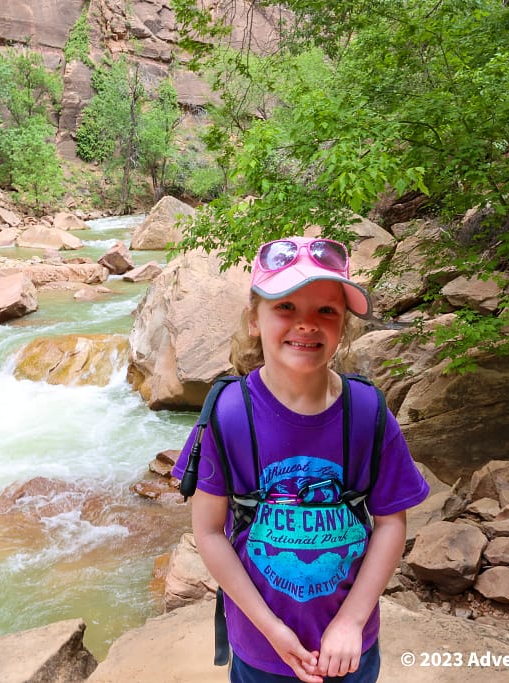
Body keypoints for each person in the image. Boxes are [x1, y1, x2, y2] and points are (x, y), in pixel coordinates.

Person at [172, 236, 430, 683]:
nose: (306, 324)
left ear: (344, 325)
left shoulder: (367, 412)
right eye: (286, 308)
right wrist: (269, 628)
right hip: (260, 643)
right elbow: (209, 532)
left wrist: (350, 621)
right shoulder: (228, 414)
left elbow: (391, 522)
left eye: (326, 311)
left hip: (349, 644)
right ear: (255, 319)